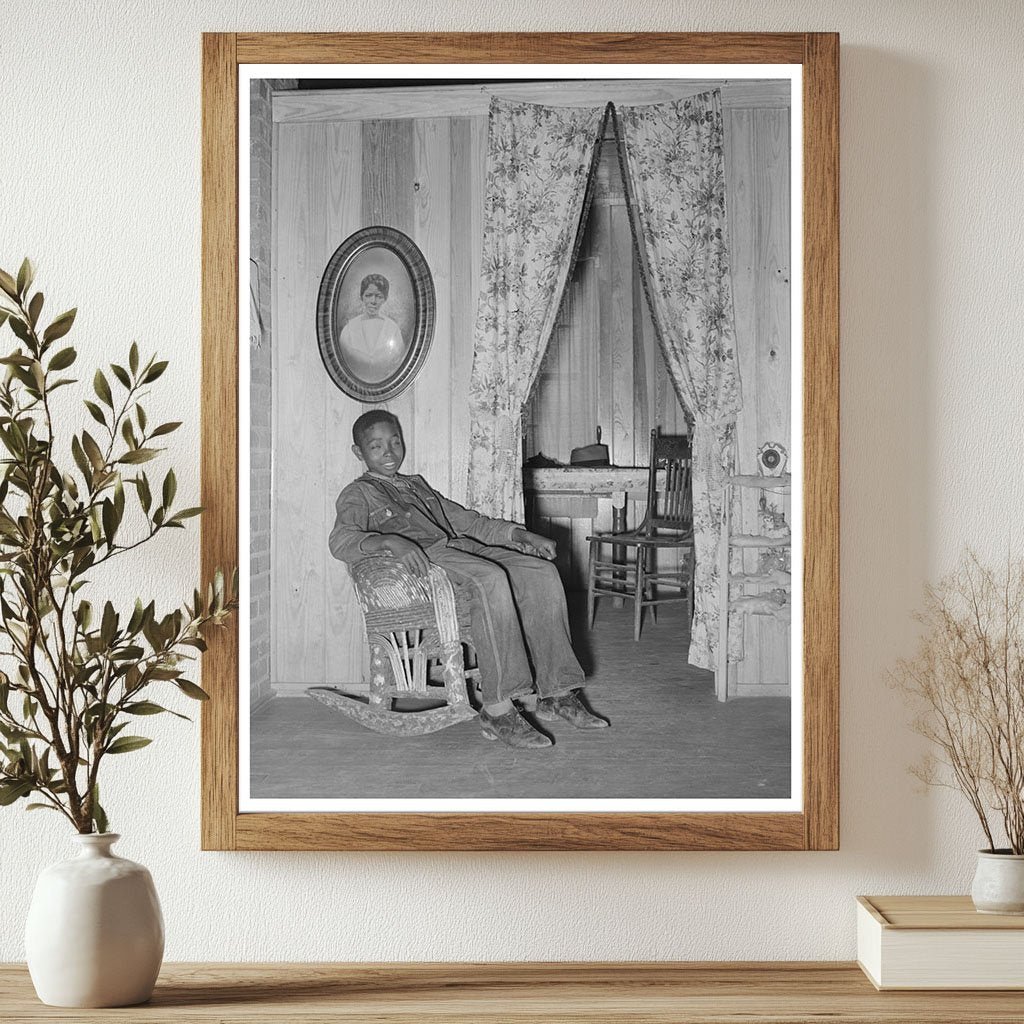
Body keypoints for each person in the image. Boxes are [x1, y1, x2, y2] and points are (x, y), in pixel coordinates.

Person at [329, 410, 609, 749]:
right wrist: (389, 541)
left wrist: (521, 536)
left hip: (462, 549)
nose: (388, 453)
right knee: (490, 578)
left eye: (395, 442)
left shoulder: (416, 486)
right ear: (359, 452)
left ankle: (558, 692)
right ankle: (498, 708)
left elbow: (470, 523)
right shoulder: (358, 494)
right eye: (376, 446)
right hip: (429, 562)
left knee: (542, 572)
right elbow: (342, 540)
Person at [338, 274, 405, 383]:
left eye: (378, 296)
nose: (373, 301)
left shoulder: (393, 329)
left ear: (385, 299)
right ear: (361, 297)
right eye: (368, 295)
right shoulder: (349, 329)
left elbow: (398, 361)